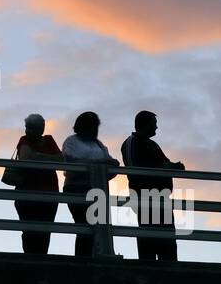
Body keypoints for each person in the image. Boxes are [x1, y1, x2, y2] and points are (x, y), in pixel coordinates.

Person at [120, 111, 183, 262]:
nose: (156, 128)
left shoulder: (153, 144)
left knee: (167, 241)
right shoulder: (131, 142)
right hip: (145, 197)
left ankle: (169, 271)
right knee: (148, 239)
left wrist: (173, 166)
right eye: (154, 124)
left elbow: (165, 163)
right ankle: (149, 269)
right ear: (145, 124)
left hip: (162, 199)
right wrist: (167, 166)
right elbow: (135, 167)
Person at [61, 111, 119, 257]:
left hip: (97, 190)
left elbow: (111, 164)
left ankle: (94, 257)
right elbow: (70, 162)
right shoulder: (71, 141)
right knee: (84, 226)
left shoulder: (99, 144)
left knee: (97, 229)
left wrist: (111, 166)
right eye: (92, 127)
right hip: (76, 189)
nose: (95, 131)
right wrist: (99, 164)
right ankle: (82, 260)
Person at [3, 114, 61, 255]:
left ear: (41, 128)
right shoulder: (24, 140)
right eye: (27, 127)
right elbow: (25, 158)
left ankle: (41, 259)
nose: (27, 131)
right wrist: (48, 159)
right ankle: (30, 258)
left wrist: (38, 156)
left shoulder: (49, 140)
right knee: (29, 231)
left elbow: (61, 159)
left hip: (49, 194)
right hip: (27, 193)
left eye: (31, 128)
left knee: (45, 230)